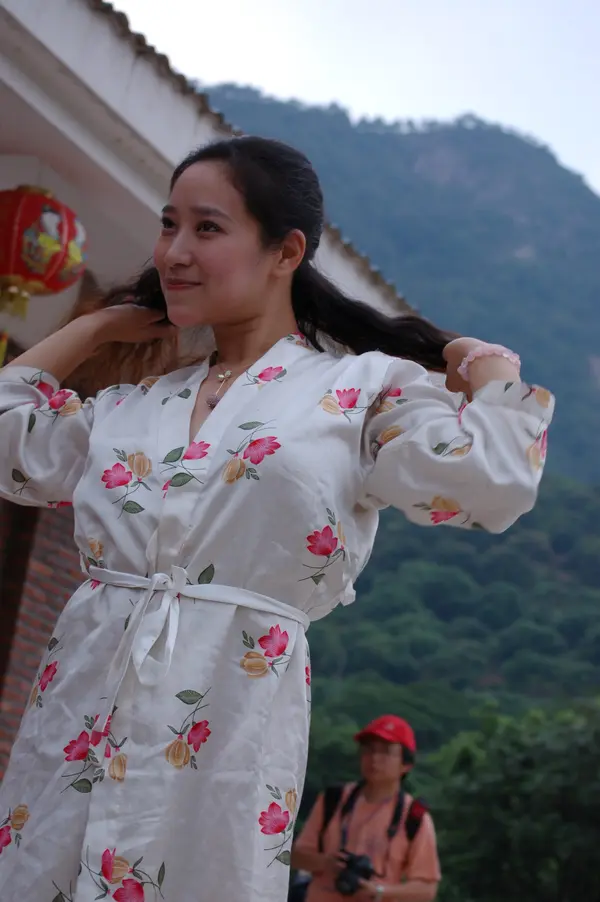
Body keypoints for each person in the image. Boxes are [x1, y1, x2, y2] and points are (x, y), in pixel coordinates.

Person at [0, 135, 553, 902]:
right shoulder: (131, 406)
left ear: (286, 251)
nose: (175, 252)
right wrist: (96, 328)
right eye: (168, 225)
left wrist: (487, 367)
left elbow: (494, 480)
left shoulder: (362, 390)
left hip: (225, 723)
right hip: (78, 719)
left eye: (207, 227)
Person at [291, 715, 440, 901]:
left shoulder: (413, 816)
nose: (375, 758)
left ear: (406, 765)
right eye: (369, 750)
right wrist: (325, 863)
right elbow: (295, 857)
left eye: (386, 752)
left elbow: (427, 889)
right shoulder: (333, 799)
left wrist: (379, 891)